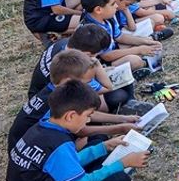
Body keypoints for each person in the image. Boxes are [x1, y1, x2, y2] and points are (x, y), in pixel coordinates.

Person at [6, 80, 146, 181]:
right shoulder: (58, 144)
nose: (88, 120)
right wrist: (122, 163)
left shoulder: (42, 128)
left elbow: (66, 162)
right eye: (87, 116)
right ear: (70, 116)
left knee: (98, 146)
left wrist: (104, 147)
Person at [8, 49, 137, 151]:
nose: (91, 85)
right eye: (88, 82)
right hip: (35, 150)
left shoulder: (56, 90)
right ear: (68, 81)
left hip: (30, 143)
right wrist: (119, 128)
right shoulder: (59, 100)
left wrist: (122, 119)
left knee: (94, 131)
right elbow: (81, 131)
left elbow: (87, 114)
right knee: (96, 141)